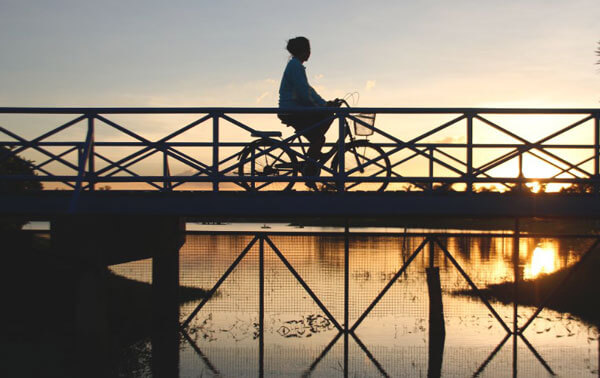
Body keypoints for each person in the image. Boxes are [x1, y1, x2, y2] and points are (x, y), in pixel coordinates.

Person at [277, 36, 341, 187]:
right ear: (304, 51)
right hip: (293, 111)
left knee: (319, 136)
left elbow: (308, 91)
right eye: (309, 49)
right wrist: (322, 107)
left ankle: (312, 158)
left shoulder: (295, 66)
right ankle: (309, 170)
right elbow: (303, 94)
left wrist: (324, 104)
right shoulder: (295, 67)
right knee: (318, 138)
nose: (310, 53)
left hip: (295, 109)